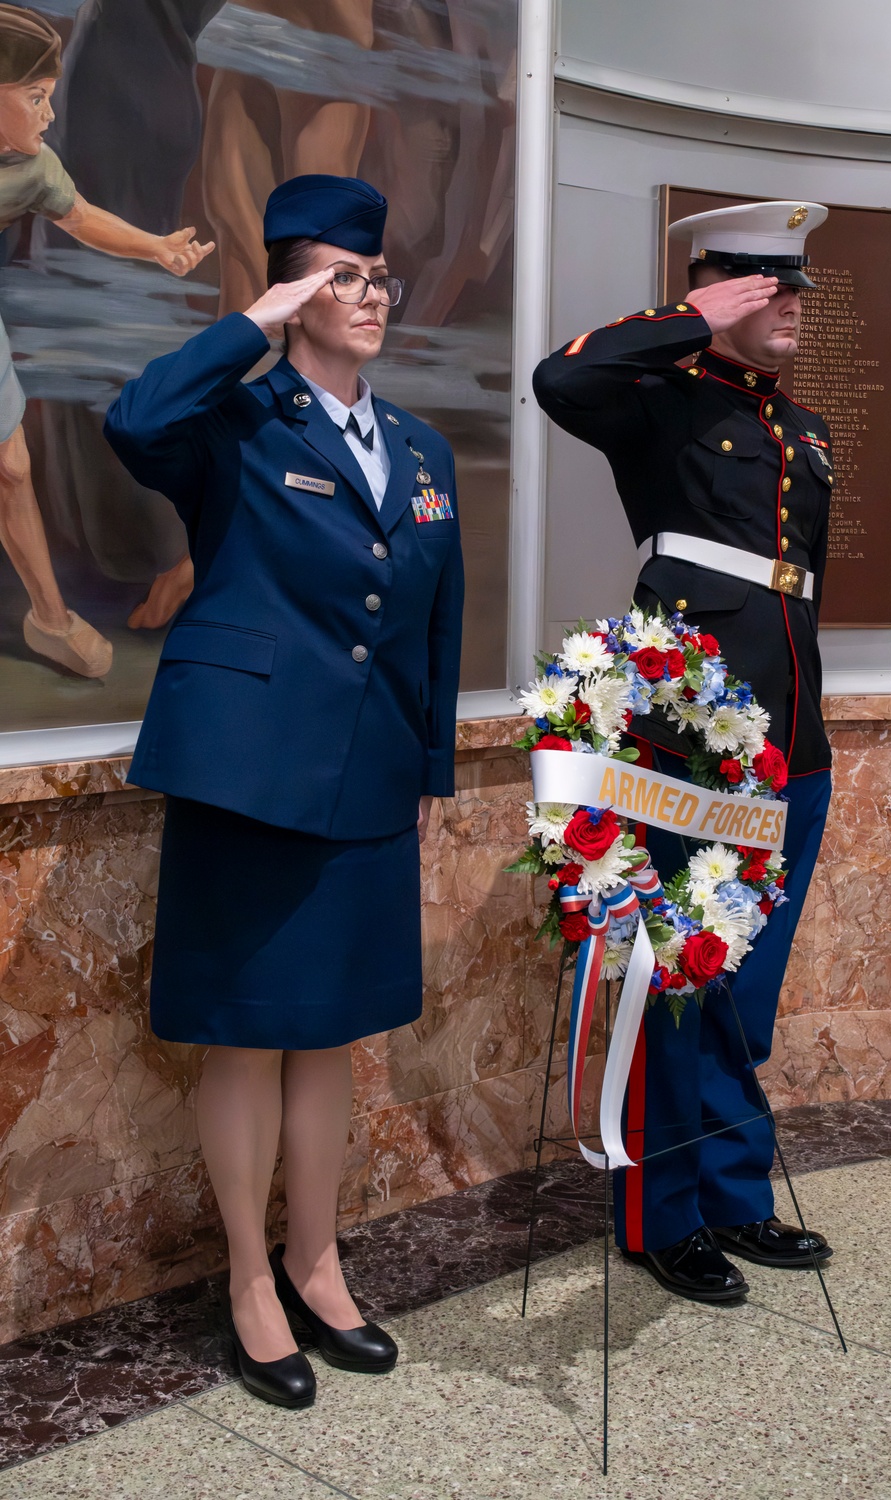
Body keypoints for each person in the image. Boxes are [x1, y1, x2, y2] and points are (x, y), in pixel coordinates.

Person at [104, 174, 464, 1408]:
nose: (367, 297)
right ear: (296, 288)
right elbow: (134, 416)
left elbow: (431, 620)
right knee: (247, 1034)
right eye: (341, 277)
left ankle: (317, 1263)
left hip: (368, 777)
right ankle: (249, 1283)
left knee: (328, 1033)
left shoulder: (418, 448)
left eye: (377, 278)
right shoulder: (239, 423)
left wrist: (427, 769)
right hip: (248, 773)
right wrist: (252, 324)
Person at [533, 200, 834, 1306]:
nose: (793, 300)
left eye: (796, 282)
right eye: (768, 284)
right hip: (692, 758)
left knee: (743, 992)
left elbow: (797, 595)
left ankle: (734, 1195)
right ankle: (662, 1217)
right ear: (722, 292)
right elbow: (560, 380)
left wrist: (808, 734)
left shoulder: (806, 433)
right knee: (677, 983)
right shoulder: (658, 404)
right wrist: (684, 316)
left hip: (793, 746)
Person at [0, 5, 214, 677]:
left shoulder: (33, 168)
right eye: (35, 97)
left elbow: (84, 216)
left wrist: (156, 250)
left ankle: (51, 621)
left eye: (50, 96)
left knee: (12, 467)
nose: (50, 114)